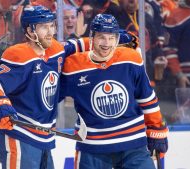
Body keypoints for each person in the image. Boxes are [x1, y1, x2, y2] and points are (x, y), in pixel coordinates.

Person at [0, 5, 91, 169]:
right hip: (20, 135)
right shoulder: (18, 55)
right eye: (44, 27)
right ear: (30, 31)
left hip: (44, 137)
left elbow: (75, 45)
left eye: (52, 25)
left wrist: (115, 40)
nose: (51, 31)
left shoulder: (54, 49)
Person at [60, 14, 168, 169]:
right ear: (92, 37)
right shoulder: (73, 66)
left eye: (111, 38)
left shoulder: (130, 58)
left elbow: (146, 97)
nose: (106, 43)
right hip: (93, 148)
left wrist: (156, 127)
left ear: (117, 39)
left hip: (133, 146)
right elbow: (50, 95)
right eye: (101, 37)